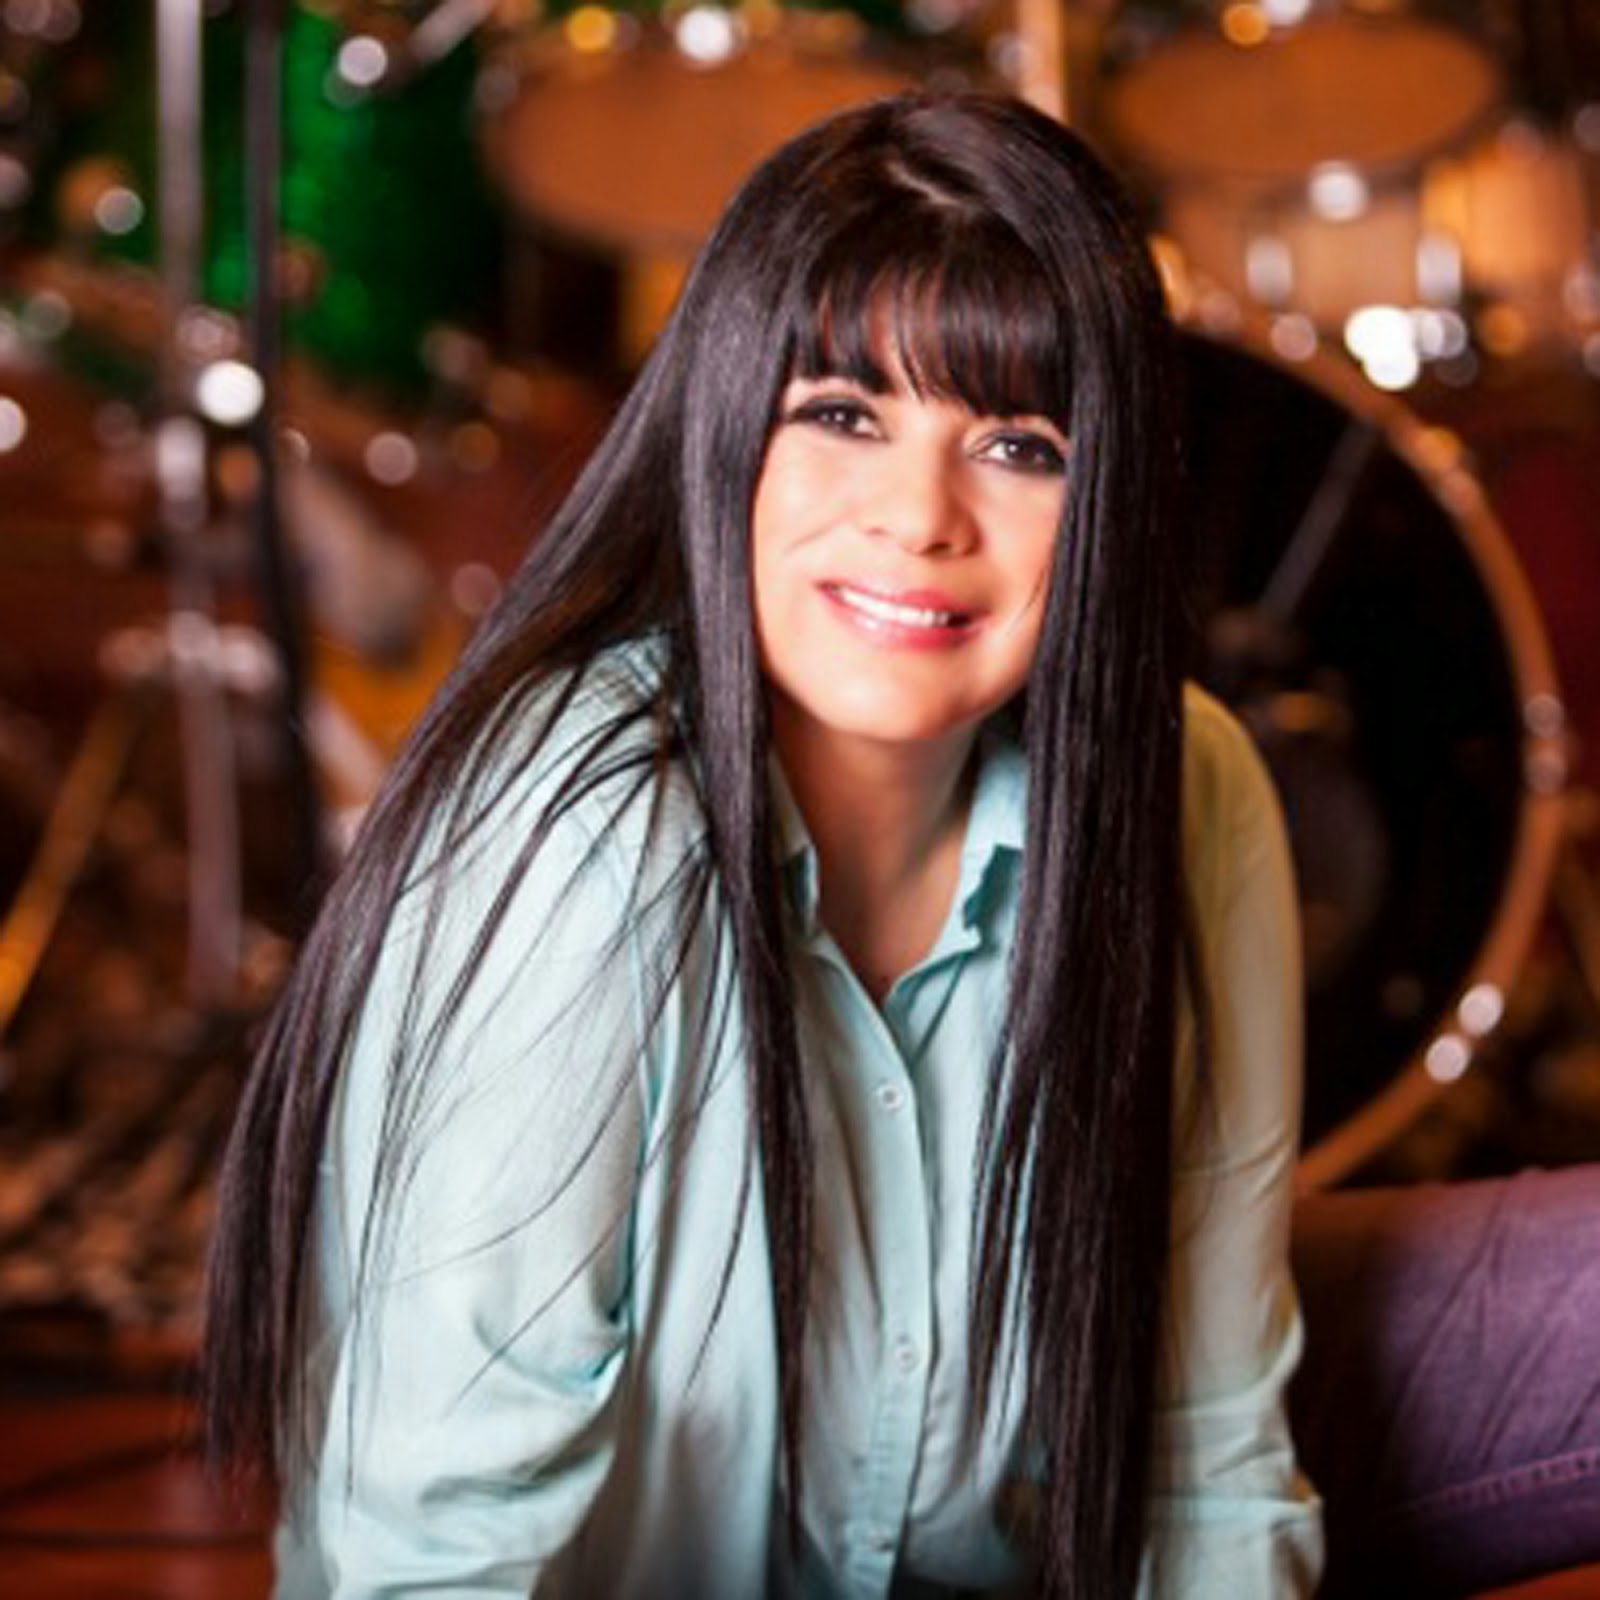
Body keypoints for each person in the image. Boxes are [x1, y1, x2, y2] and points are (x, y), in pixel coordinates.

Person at [203, 91, 1324, 1597]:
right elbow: (427, 1551)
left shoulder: (1190, 789)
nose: (919, 519)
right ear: (726, 428)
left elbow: (1207, 1452)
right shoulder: (580, 827)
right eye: (844, 415)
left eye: (1018, 444)